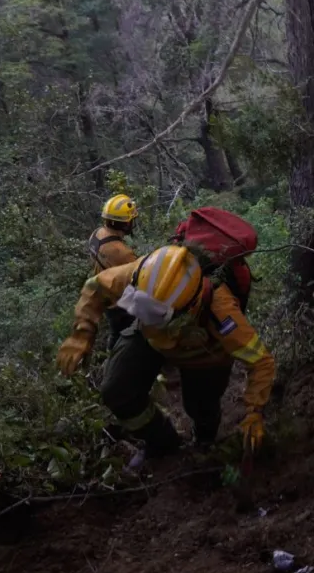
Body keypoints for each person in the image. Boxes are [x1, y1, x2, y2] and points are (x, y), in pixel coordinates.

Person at [56, 244, 272, 456]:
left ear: (190, 307)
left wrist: (254, 411)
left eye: (158, 315)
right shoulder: (140, 273)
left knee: (200, 408)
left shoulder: (222, 311)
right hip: (147, 339)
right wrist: (81, 334)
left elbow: (261, 361)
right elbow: (95, 286)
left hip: (204, 356)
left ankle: (204, 440)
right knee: (118, 391)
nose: (150, 319)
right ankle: (163, 442)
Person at [88, 194, 139, 351]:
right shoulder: (121, 252)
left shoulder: (96, 234)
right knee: (130, 336)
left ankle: (111, 355)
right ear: (125, 224)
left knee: (115, 332)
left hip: (105, 294)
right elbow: (140, 277)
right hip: (120, 303)